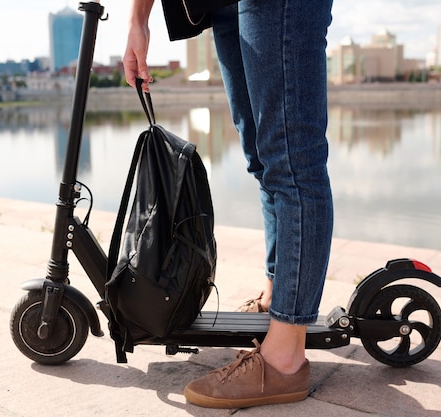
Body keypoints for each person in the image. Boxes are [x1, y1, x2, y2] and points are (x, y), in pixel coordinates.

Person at [123, 0, 334, 409]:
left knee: (292, 159)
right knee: (264, 158)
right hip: (220, 3)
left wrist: (139, 18)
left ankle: (286, 356)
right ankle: (277, 297)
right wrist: (138, 19)